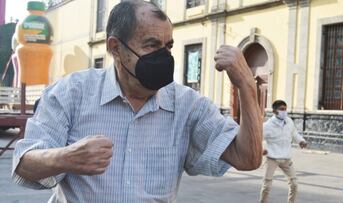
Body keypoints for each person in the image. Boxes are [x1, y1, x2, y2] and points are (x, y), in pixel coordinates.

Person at [12, 1, 263, 202]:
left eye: (168, 46)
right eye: (151, 45)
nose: (164, 56)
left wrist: (247, 87)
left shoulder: (187, 105)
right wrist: (65, 158)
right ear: (115, 48)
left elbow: (248, 159)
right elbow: (24, 163)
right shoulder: (71, 93)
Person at [259, 100, 307, 203]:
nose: (284, 111)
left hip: (286, 158)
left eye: (285, 109)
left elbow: (294, 133)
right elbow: (258, 139)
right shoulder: (267, 126)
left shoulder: (289, 121)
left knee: (294, 184)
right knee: (267, 185)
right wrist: (261, 149)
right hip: (272, 158)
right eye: (281, 109)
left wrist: (301, 141)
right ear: (274, 111)